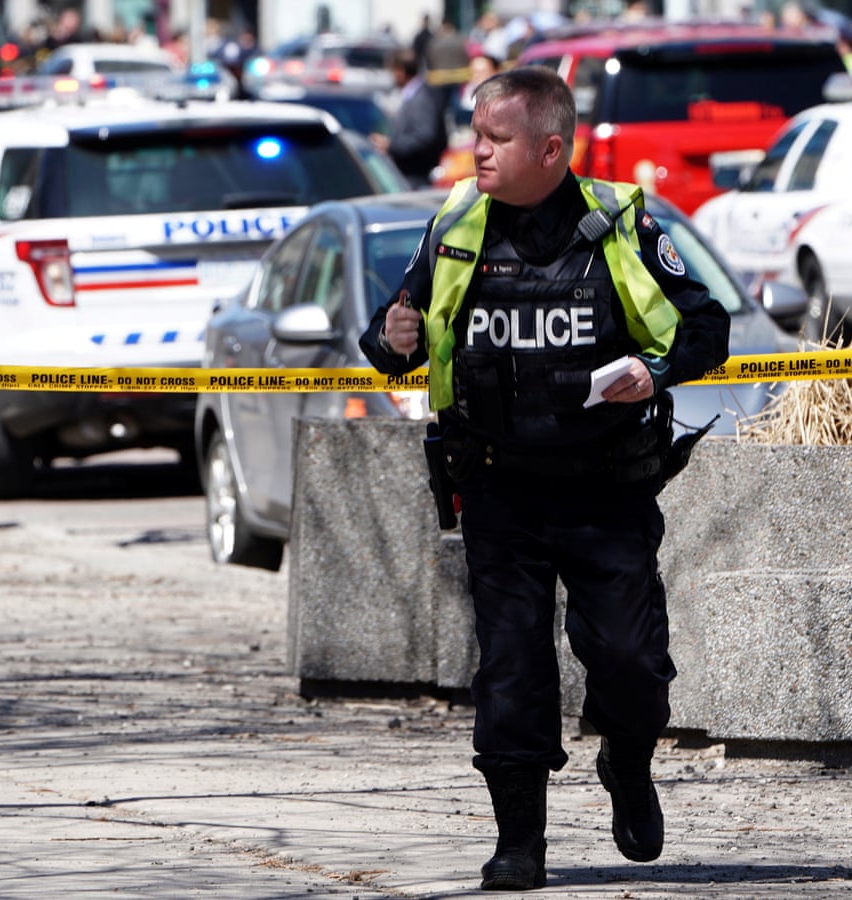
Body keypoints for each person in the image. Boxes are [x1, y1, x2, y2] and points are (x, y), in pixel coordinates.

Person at [358, 66, 729, 891]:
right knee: (512, 672)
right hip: (498, 491)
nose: (476, 152)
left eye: (495, 139)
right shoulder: (456, 224)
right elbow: (391, 341)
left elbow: (707, 328)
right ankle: (520, 839)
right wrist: (391, 335)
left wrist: (652, 370)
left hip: (605, 490)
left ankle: (626, 767)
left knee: (632, 664)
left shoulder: (617, 226)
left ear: (551, 148)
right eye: (475, 135)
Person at [371, 49, 449, 189]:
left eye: (393, 71)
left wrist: (391, 145)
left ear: (401, 71)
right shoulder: (411, 94)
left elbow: (424, 136)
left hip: (417, 176)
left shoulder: (422, 98)